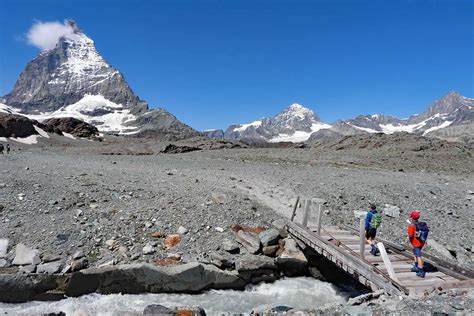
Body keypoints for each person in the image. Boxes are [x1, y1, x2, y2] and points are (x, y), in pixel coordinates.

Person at [408, 211, 429, 278]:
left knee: (418, 255)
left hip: (416, 243)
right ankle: (416, 266)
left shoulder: (411, 225)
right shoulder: (420, 224)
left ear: (412, 217)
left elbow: (411, 235)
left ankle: (421, 270)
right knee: (415, 253)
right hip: (421, 242)